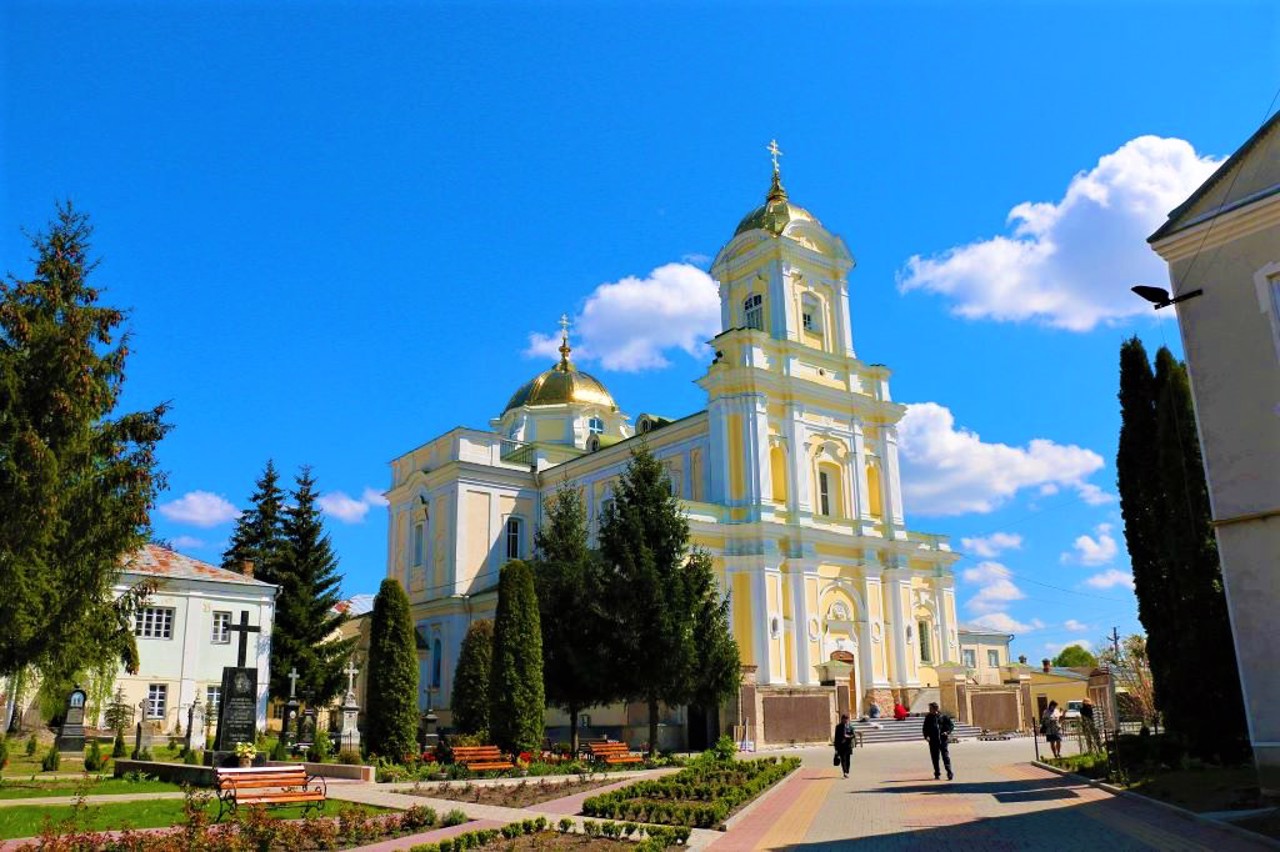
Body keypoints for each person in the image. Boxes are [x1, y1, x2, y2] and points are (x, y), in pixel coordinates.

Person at [921, 702, 954, 780]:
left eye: (931, 708)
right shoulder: (928, 717)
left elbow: (951, 725)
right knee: (935, 758)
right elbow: (925, 728)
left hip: (943, 740)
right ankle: (937, 773)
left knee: (945, 757)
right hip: (933, 740)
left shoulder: (943, 717)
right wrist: (926, 736)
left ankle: (949, 772)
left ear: (935, 709)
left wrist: (947, 732)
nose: (929, 710)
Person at [833, 712, 855, 778]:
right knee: (843, 759)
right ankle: (844, 772)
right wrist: (836, 747)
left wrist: (848, 737)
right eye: (844, 719)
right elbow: (836, 737)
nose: (845, 720)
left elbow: (853, 735)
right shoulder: (838, 727)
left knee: (848, 759)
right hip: (841, 746)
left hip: (848, 746)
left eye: (846, 719)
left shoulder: (850, 727)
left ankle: (847, 770)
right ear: (842, 719)